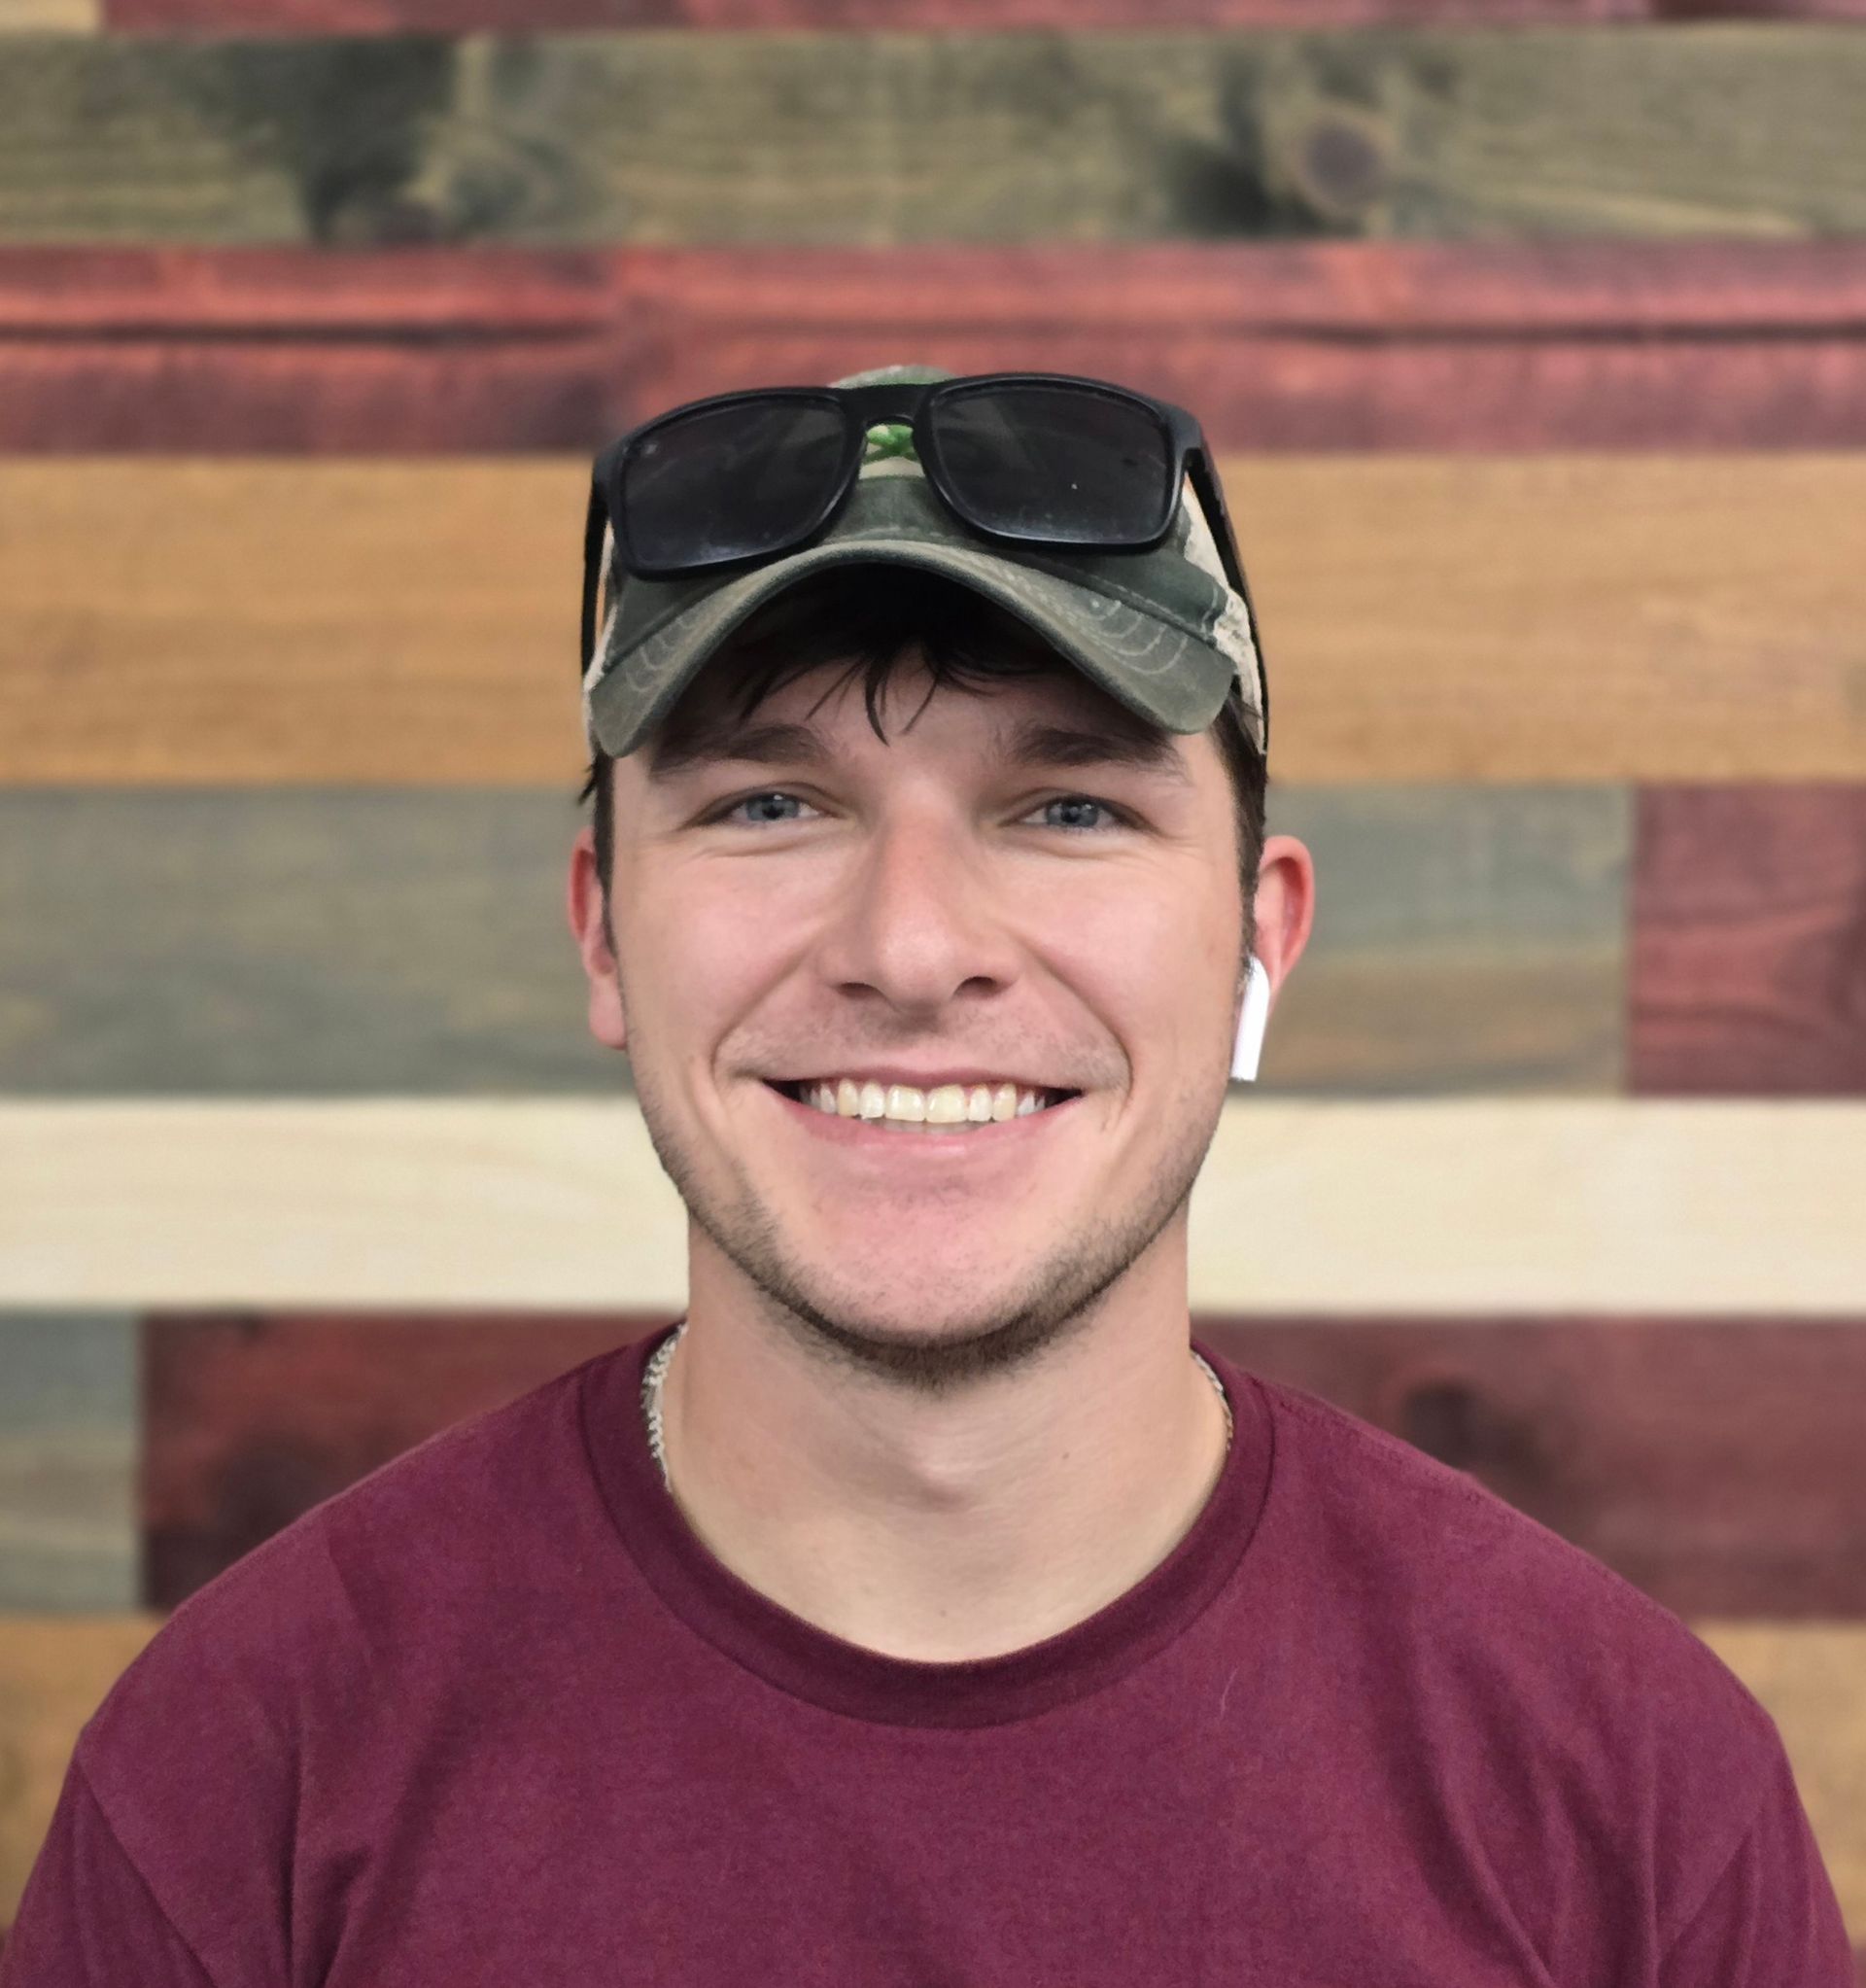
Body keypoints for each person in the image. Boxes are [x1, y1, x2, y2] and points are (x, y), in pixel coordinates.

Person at [1, 365, 1849, 1985]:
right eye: (769, 804)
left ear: (1256, 943)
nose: (909, 945)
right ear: (602, 933)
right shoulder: (253, 1767)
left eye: (1068, 807)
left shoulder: (1625, 1782)